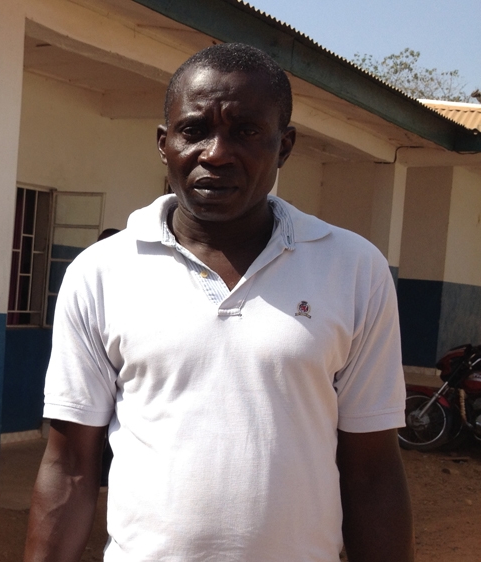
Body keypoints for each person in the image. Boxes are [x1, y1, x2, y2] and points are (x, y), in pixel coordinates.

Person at [24, 43, 413, 562]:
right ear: (164, 144)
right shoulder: (101, 272)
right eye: (193, 130)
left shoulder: (353, 268)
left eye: (247, 131)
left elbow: (372, 469)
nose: (216, 153)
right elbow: (71, 464)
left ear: (286, 144)